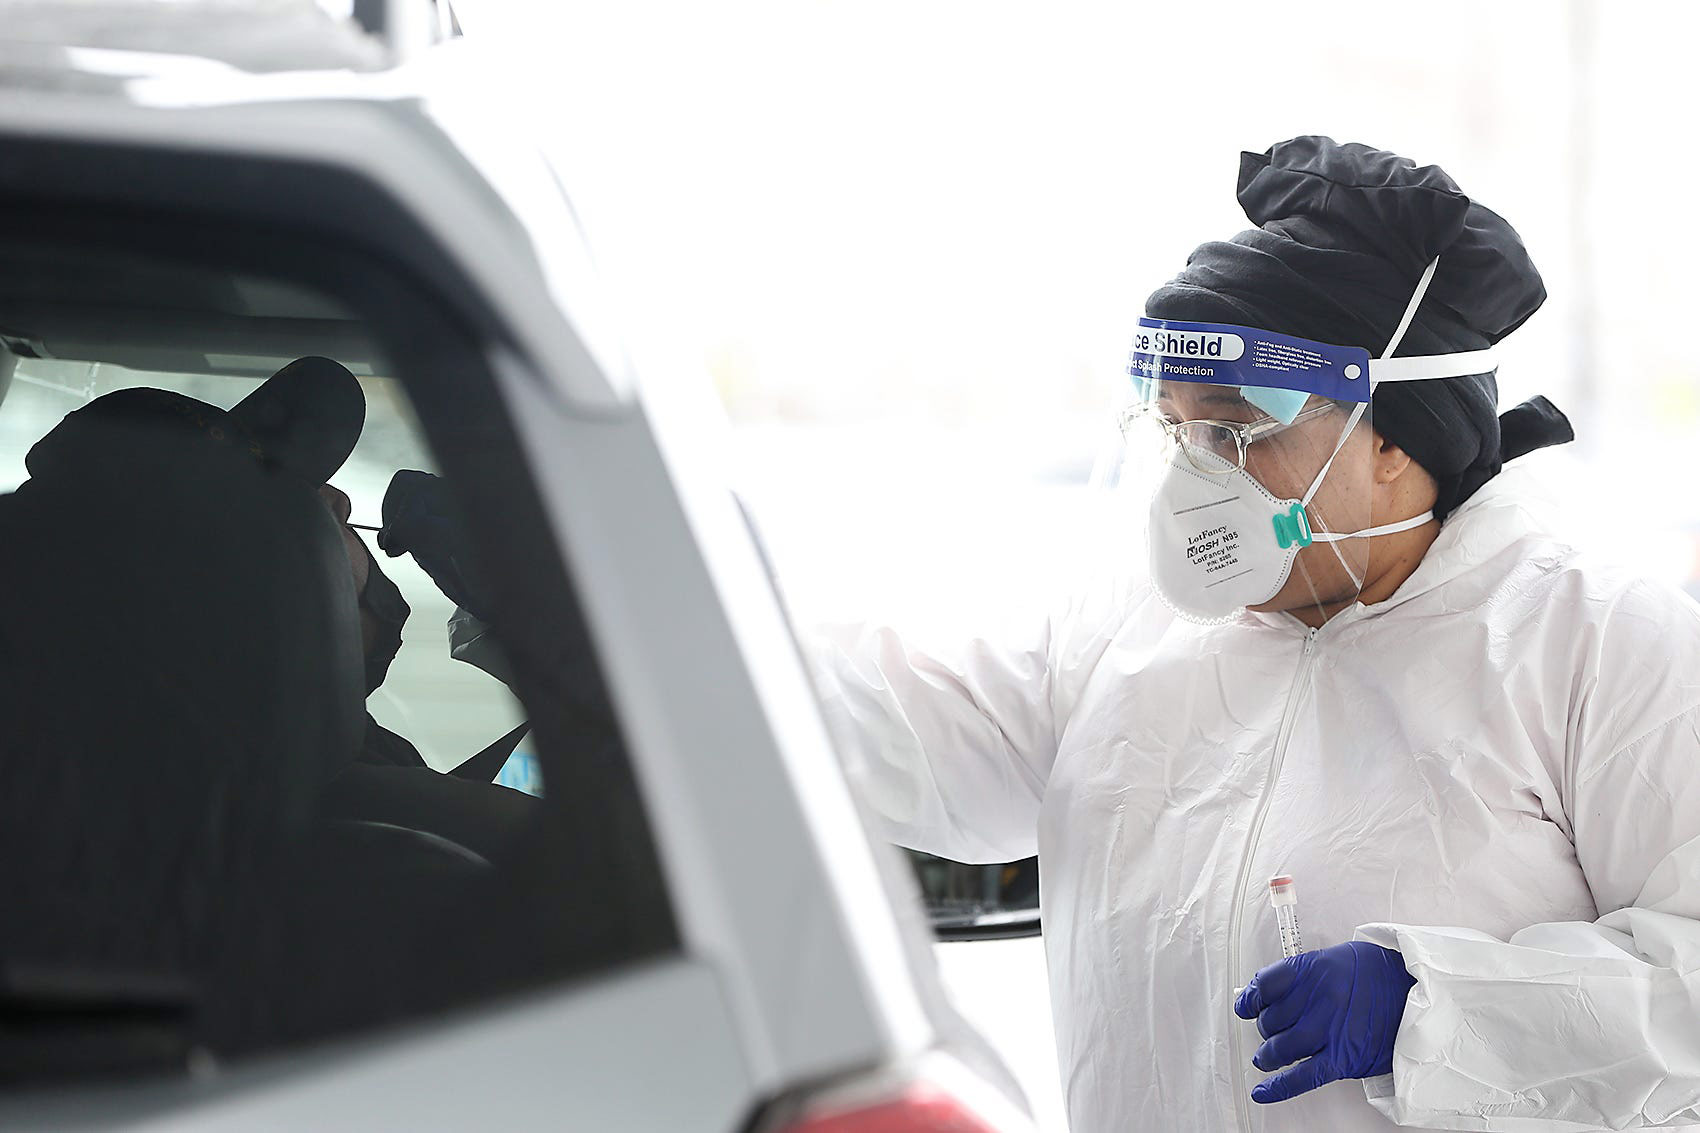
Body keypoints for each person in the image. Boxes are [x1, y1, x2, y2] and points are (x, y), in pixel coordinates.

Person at [809, 137, 1700, 1131]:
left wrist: (1441, 1009)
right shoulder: (1126, 629)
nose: (1197, 478)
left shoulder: (1595, 643)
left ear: (1398, 435)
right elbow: (892, 723)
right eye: (1178, 431)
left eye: (1236, 430)